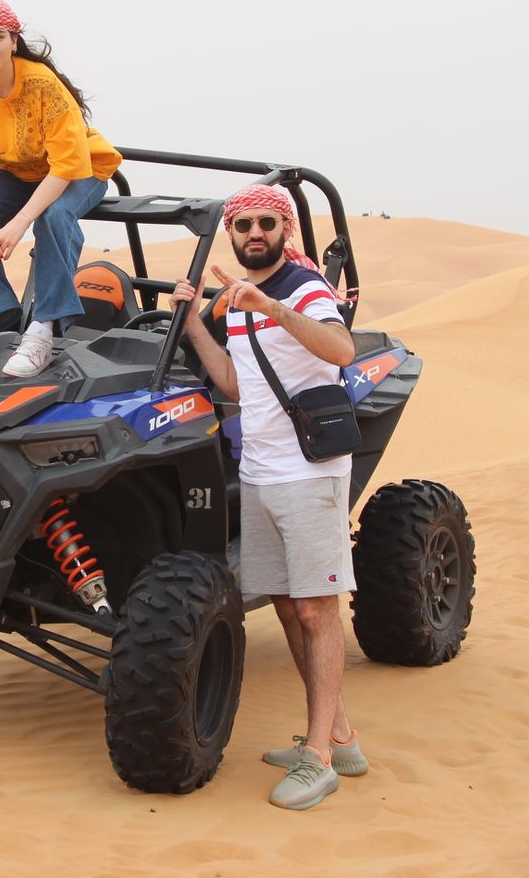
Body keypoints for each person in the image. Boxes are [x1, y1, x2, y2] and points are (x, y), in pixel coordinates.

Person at [170, 183, 369, 812]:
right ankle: (341, 737)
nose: (255, 234)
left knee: (317, 610)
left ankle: (318, 758)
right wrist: (193, 323)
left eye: (266, 223)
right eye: (244, 225)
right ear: (231, 233)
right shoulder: (235, 303)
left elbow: (341, 351)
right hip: (258, 471)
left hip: (309, 474)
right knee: (285, 605)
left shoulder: (304, 290)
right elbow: (235, 380)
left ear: (285, 230)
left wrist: (271, 306)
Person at [0, 0, 122, 378]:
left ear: (14, 41)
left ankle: (44, 328)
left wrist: (21, 222)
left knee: (54, 216)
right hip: (16, 172)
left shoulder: (43, 85)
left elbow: (66, 166)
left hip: (79, 170)